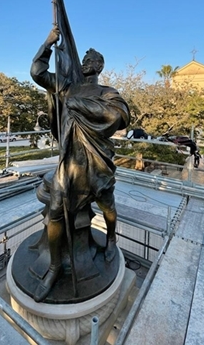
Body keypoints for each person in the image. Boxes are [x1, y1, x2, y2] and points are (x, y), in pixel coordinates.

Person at [29, 25, 130, 302]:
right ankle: (53, 267)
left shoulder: (107, 92)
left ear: (99, 66)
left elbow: (118, 116)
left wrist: (77, 106)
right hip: (69, 162)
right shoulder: (67, 87)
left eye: (90, 60)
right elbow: (37, 73)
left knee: (106, 204)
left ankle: (111, 238)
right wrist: (48, 43)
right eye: (83, 60)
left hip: (96, 163)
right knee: (56, 211)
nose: (85, 63)